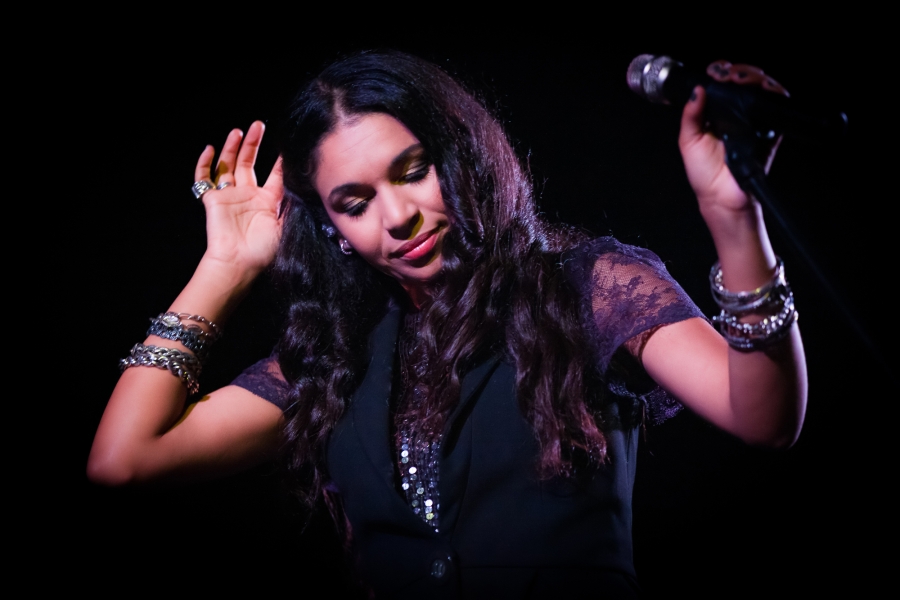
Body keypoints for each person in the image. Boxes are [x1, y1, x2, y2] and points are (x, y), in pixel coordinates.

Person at [88, 51, 806, 597]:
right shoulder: (337, 358)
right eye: (355, 203)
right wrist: (225, 267)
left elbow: (763, 417)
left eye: (412, 171)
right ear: (332, 226)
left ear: (459, 155)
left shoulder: (588, 287)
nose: (398, 216)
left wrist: (732, 217)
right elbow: (124, 459)